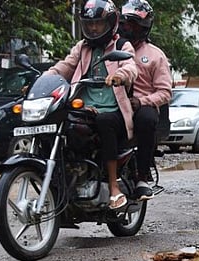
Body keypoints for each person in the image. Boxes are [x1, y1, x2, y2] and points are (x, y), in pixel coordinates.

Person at [46, 0, 139, 210]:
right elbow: (63, 67)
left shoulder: (121, 45)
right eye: (89, 24)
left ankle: (114, 188)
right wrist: (42, 81)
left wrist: (120, 75)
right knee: (59, 125)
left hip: (112, 109)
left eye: (98, 23)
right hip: (84, 108)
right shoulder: (82, 47)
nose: (94, 28)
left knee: (105, 121)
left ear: (111, 23)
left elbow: (131, 67)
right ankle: (65, 180)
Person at [118, 0, 172, 201]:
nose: (128, 29)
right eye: (125, 24)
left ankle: (142, 176)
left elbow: (165, 92)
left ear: (144, 27)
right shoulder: (109, 49)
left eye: (134, 25)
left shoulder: (155, 56)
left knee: (146, 119)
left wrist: (142, 101)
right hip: (113, 103)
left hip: (141, 106)